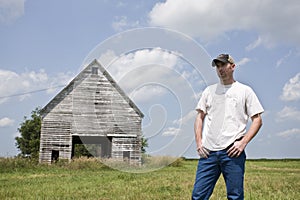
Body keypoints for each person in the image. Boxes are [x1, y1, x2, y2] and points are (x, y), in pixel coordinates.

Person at [191, 54, 264, 200]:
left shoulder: (245, 90)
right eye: (217, 66)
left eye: (223, 65)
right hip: (208, 153)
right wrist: (199, 143)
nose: (220, 69)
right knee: (198, 196)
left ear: (232, 66)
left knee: (235, 196)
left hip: (232, 152)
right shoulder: (209, 91)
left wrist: (243, 143)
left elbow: (257, 120)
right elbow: (199, 117)